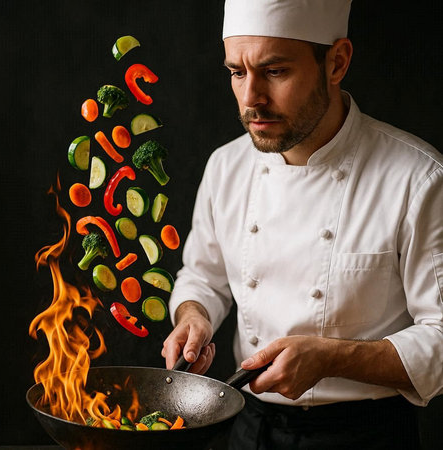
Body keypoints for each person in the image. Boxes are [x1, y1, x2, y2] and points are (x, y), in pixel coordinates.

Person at [162, 0, 443, 448]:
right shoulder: (225, 166)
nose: (251, 98)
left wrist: (333, 357)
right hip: (247, 428)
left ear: (337, 62)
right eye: (237, 72)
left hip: (366, 436)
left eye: (275, 71)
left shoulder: (418, 178)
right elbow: (203, 278)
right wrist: (193, 316)